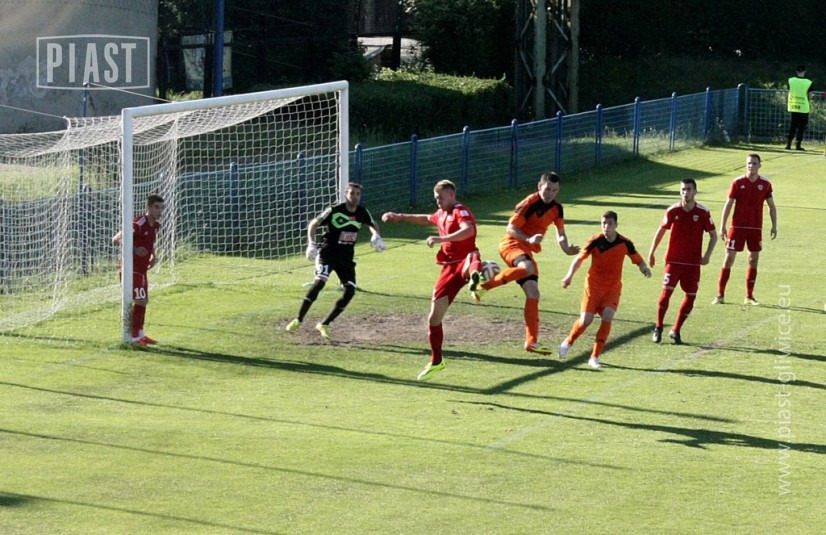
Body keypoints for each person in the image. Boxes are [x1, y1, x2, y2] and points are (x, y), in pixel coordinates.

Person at [382, 180, 483, 381]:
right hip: (449, 269)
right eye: (436, 198)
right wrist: (400, 216)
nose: (438, 201)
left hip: (464, 260)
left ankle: (477, 281)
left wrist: (441, 239)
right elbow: (425, 218)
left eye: (441, 198)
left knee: (472, 258)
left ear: (452, 195)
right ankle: (437, 362)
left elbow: (469, 230)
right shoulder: (441, 214)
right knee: (434, 318)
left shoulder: (459, 210)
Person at [470, 171, 579, 355]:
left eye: (554, 190)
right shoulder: (529, 203)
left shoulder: (557, 208)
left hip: (526, 250)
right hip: (511, 244)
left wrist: (566, 248)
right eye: (547, 189)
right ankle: (483, 287)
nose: (550, 194)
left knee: (533, 293)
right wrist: (528, 239)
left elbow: (561, 233)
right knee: (527, 268)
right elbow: (510, 228)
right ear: (539, 186)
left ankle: (531, 342)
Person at [285, 182, 384, 339]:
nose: (355, 197)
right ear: (346, 194)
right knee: (319, 283)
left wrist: (376, 235)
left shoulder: (362, 212)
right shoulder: (334, 210)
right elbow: (314, 223)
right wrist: (311, 243)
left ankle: (324, 324)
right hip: (328, 254)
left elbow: (373, 224)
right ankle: (298, 319)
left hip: (346, 258)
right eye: (352, 193)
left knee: (350, 291)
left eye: (358, 194)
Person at [559, 211, 651, 368]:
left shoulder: (625, 243)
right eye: (603, 223)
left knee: (607, 317)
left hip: (612, 288)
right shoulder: (595, 241)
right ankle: (569, 341)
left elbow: (638, 259)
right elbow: (579, 259)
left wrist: (644, 268)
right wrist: (569, 276)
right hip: (593, 287)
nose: (606, 227)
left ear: (616, 225)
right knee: (585, 320)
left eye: (609, 223)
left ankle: (594, 357)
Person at [648, 179, 717, 344]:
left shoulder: (703, 212)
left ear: (695, 191)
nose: (685, 193)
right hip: (673, 261)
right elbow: (661, 230)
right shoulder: (673, 211)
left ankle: (676, 330)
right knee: (665, 295)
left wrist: (707, 255)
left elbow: (713, 235)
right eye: (683, 189)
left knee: (691, 297)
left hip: (693, 264)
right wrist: (652, 252)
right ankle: (658, 327)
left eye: (688, 189)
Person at [712, 154, 778, 306]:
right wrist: (722, 225)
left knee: (753, 259)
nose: (751, 166)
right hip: (737, 227)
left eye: (754, 163)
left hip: (755, 228)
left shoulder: (765, 184)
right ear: (745, 165)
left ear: (759, 165)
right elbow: (728, 204)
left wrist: (774, 225)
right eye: (749, 163)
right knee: (729, 258)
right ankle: (720, 295)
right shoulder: (737, 182)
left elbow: (771, 206)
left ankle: (749, 296)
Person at [113, 193, 165, 346]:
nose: (159, 211)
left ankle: (141, 334)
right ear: (148, 207)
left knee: (144, 301)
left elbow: (150, 241)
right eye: (156, 207)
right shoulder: (138, 223)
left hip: (141, 269)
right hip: (130, 268)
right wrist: (135, 249)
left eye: (161, 208)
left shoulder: (155, 225)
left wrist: (153, 255)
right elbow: (116, 239)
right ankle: (134, 338)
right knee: (140, 301)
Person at [786, 65, 813, 151]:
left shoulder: (791, 80)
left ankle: (788, 144)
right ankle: (798, 145)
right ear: (805, 71)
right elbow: (810, 96)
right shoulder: (808, 82)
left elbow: (789, 91)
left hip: (793, 106)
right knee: (801, 127)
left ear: (796, 71)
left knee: (792, 125)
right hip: (803, 107)